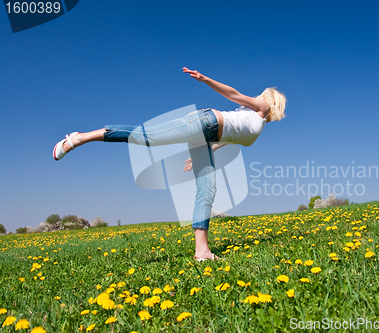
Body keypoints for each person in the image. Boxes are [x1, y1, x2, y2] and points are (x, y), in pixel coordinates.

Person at [52, 67, 286, 261]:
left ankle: (202, 252)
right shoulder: (260, 110)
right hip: (203, 122)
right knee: (147, 137)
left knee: (207, 188)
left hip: (206, 137)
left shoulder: (256, 125)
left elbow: (225, 139)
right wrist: (205, 79)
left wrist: (200, 153)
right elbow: (234, 95)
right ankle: (79, 138)